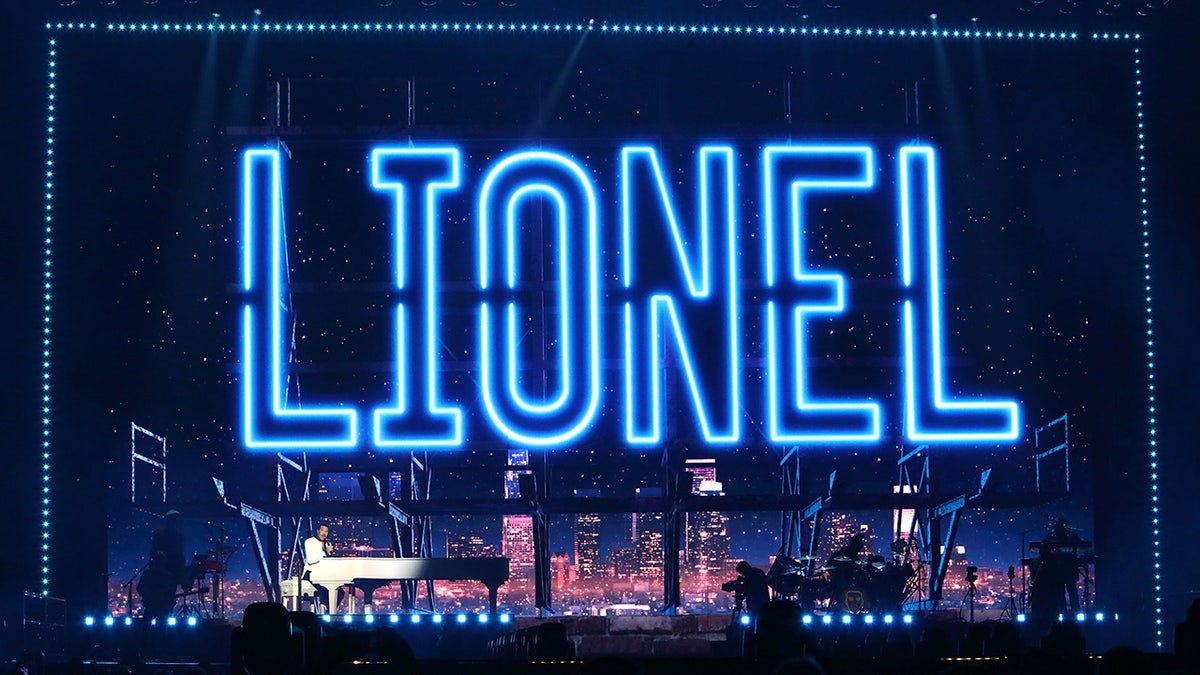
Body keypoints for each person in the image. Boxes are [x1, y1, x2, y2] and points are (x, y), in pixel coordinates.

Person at [303, 522, 345, 612]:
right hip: (310, 573)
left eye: (326, 531)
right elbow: (311, 560)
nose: (324, 533)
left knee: (340, 592)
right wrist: (325, 552)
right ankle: (330, 612)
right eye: (322, 530)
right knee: (325, 589)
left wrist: (330, 553)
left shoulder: (327, 544)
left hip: (323, 574)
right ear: (318, 531)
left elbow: (328, 561)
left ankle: (329, 612)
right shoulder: (309, 542)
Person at [149, 509, 187, 594]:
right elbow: (180, 553)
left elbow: (153, 551)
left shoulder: (161, 533)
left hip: (167, 568)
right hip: (167, 568)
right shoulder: (176, 535)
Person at [138, 551, 178, 620]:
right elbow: (171, 592)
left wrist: (147, 596)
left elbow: (139, 588)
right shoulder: (168, 576)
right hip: (163, 607)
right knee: (163, 627)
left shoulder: (147, 574)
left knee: (147, 626)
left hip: (151, 605)